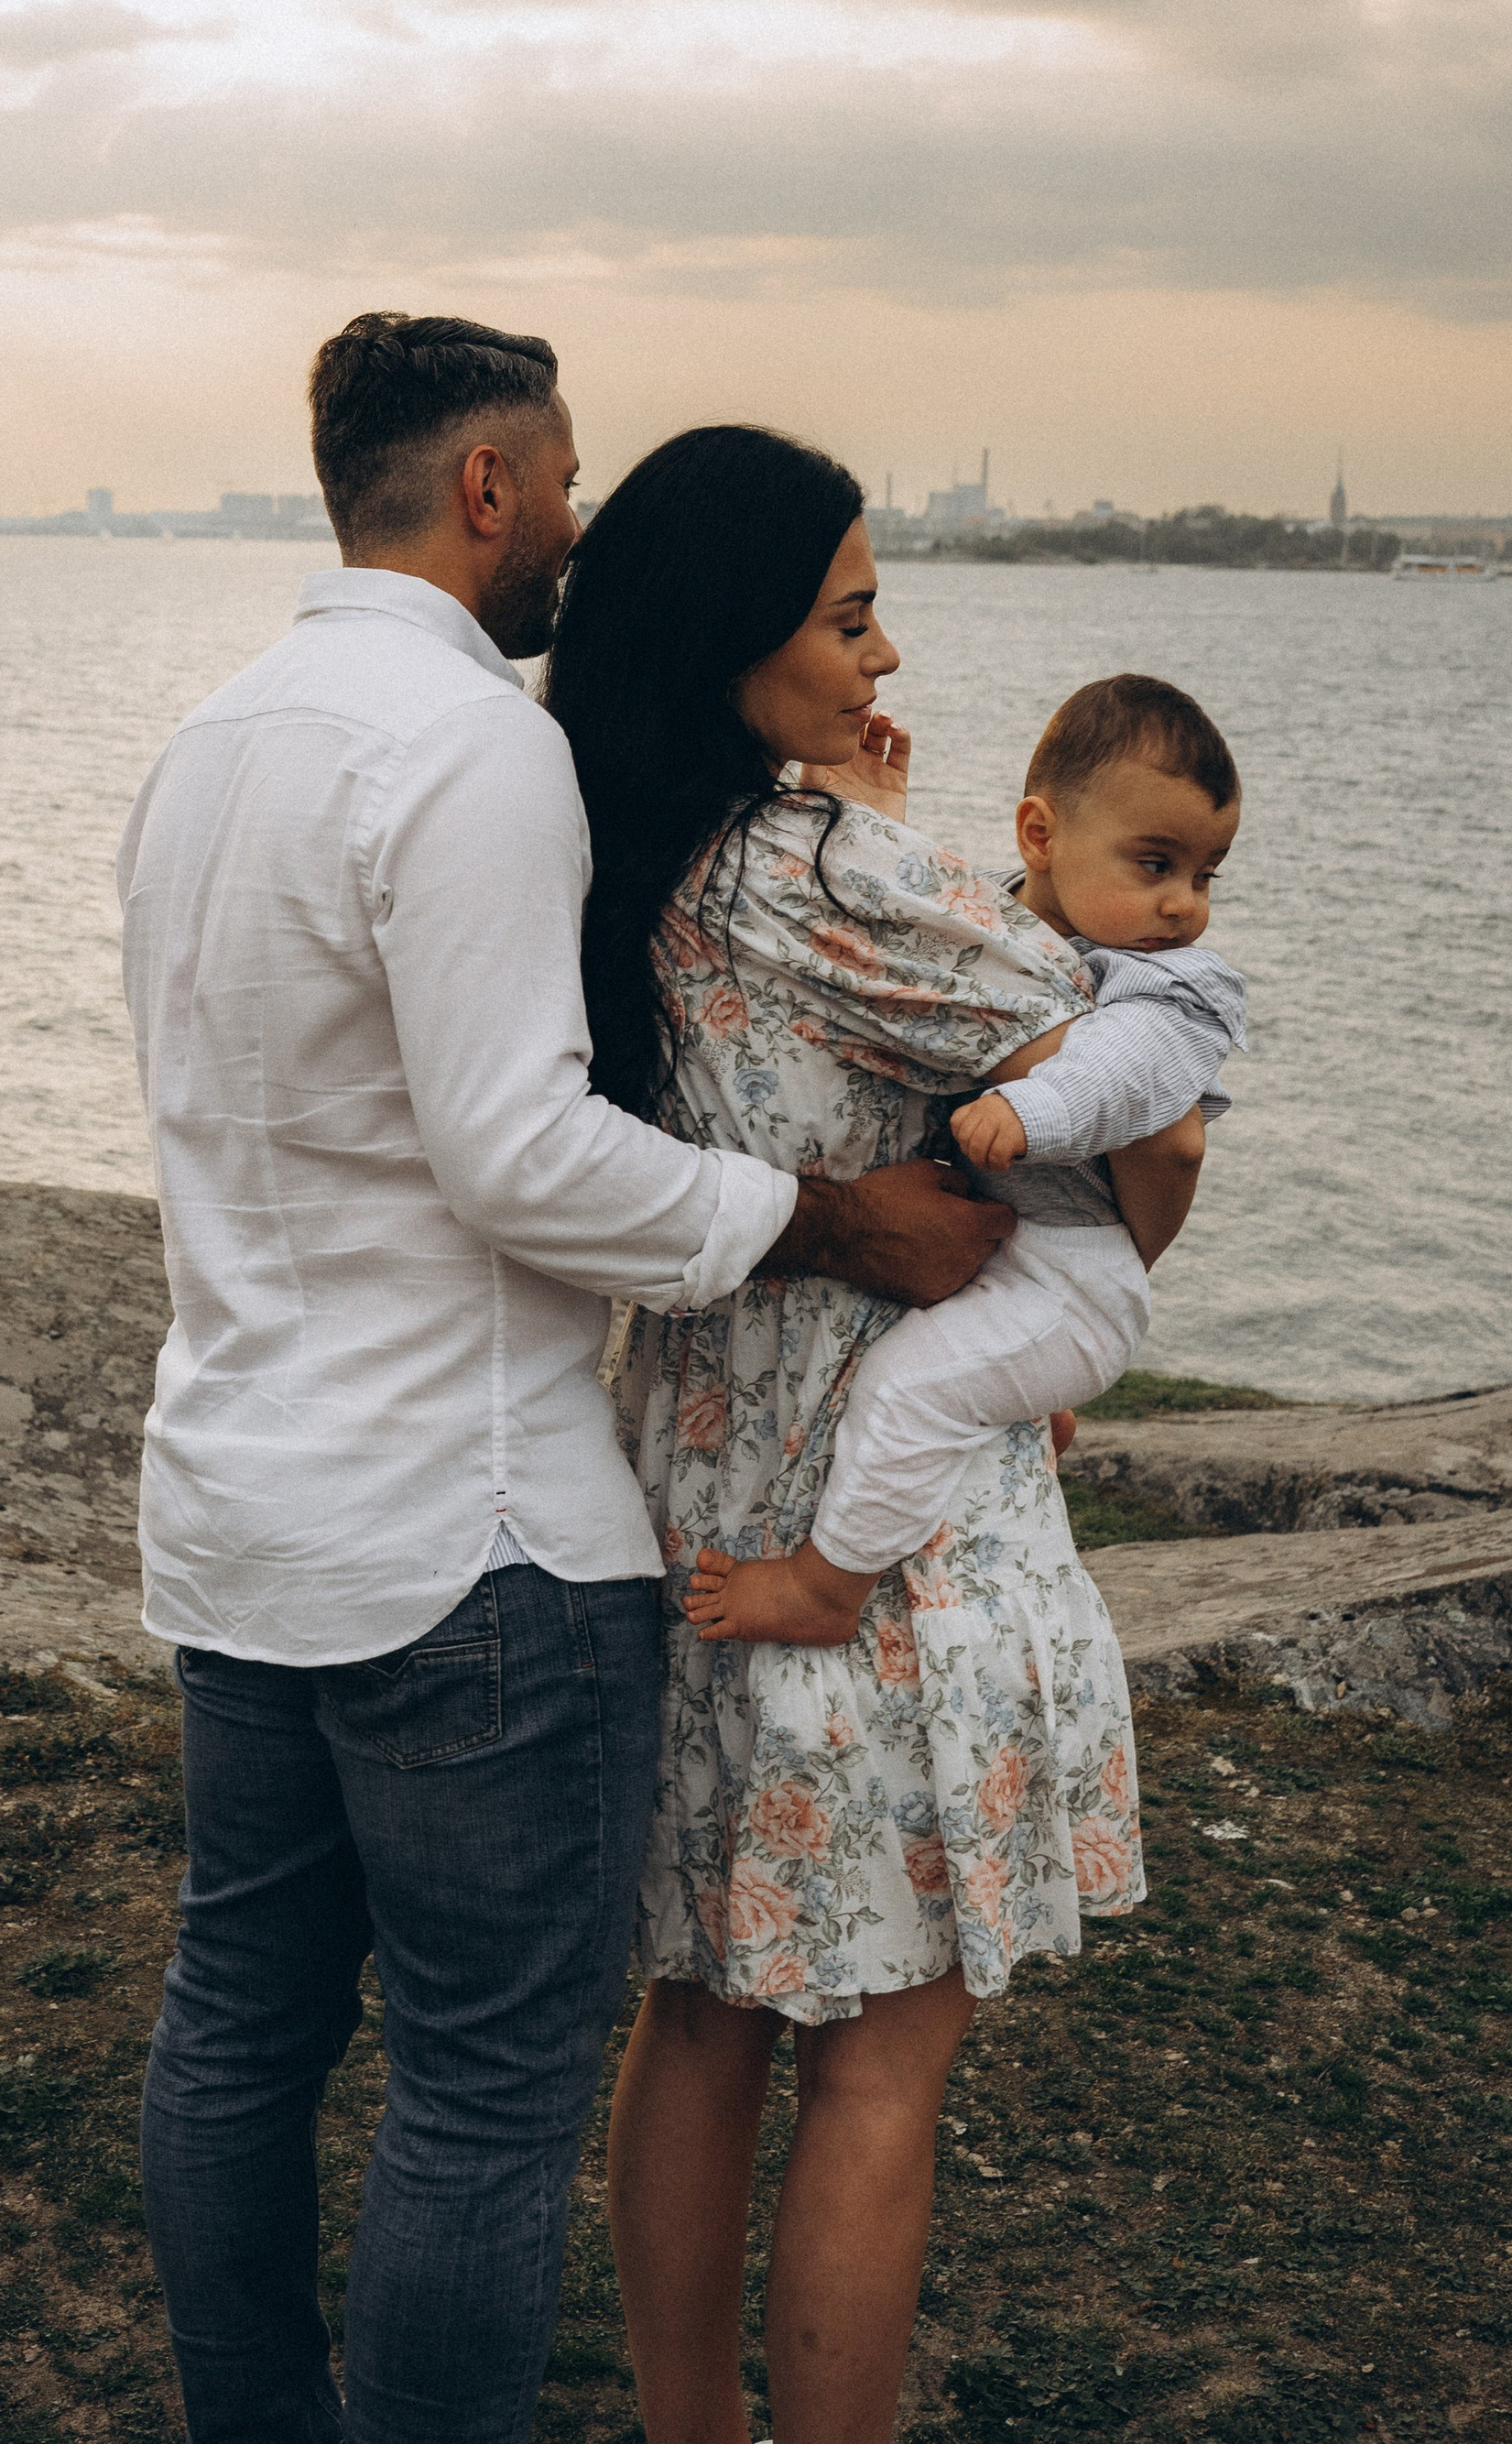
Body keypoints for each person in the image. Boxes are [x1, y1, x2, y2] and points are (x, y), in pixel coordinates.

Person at [116, 316, 1019, 2444]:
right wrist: (823, 1214)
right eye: (568, 475)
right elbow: (516, 1153)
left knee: (237, 2020)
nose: (585, 522)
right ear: (488, 490)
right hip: (466, 1540)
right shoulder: (470, 747)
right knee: (482, 2083)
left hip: (235, 1505)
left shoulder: (213, 741)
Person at [541, 425, 1202, 2444]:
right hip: (867, 1541)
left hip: (685, 1494)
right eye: (846, 618)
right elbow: (1140, 1091)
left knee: (702, 2013)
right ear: (737, 635)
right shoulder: (820, 874)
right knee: (880, 2065)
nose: (883, 656)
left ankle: (689, 2431)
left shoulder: (611, 852)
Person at [685, 670, 1245, 1649]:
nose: (1181, 907)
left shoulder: (1171, 984)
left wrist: (1036, 1109)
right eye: (1154, 864)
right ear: (1039, 836)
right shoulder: (995, 913)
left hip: (1069, 1276)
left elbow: (1135, 1078)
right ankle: (1036, 1403)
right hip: (1021, 1262)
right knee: (952, 1367)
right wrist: (873, 827)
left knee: (909, 1390)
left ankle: (827, 1587)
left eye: (1203, 875)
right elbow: (917, 949)